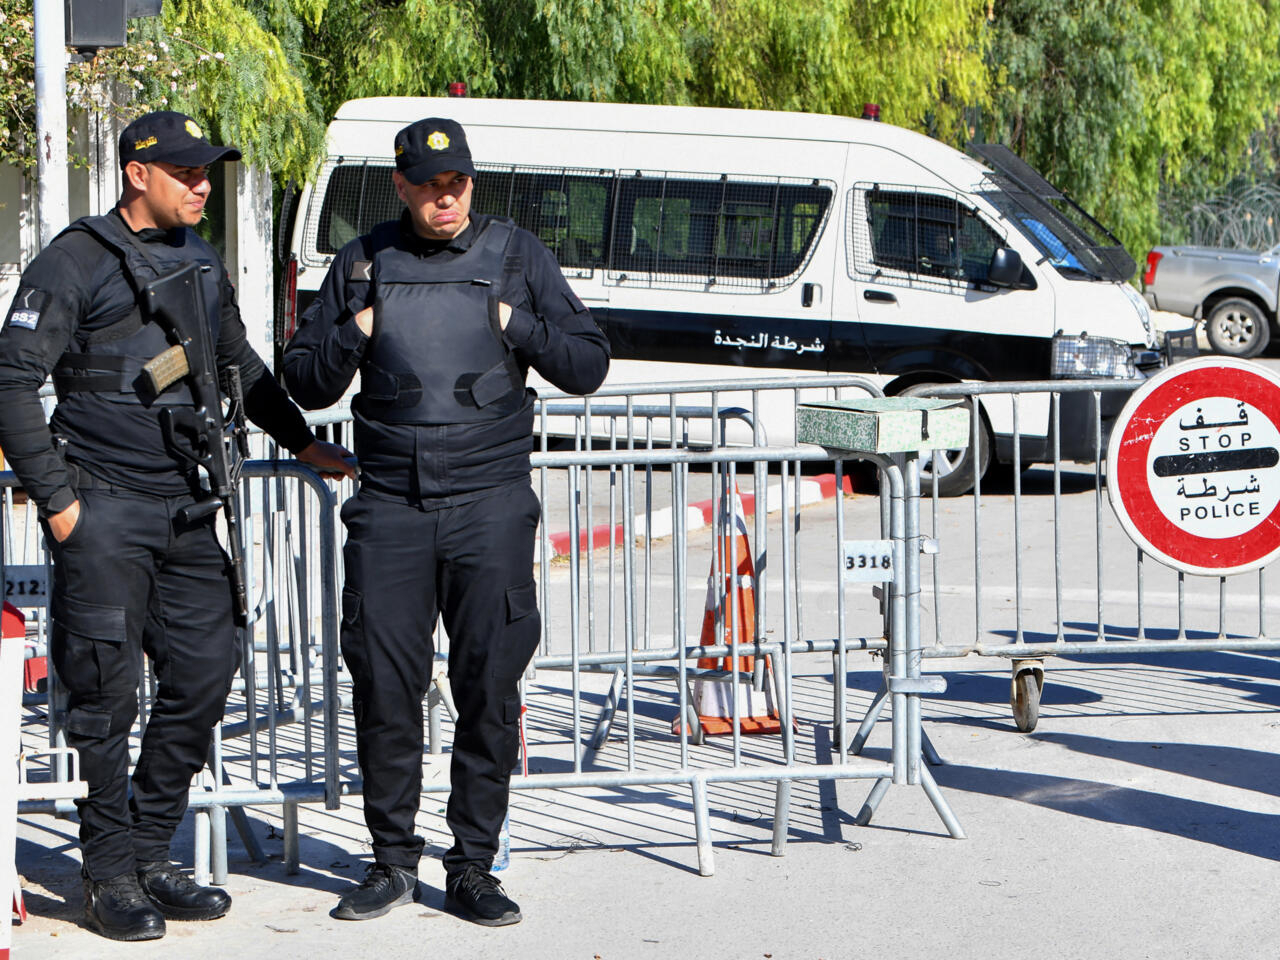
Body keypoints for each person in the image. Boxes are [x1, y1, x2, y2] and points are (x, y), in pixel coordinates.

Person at [0, 111, 355, 942]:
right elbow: (11, 380)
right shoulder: (75, 259)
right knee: (105, 697)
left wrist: (302, 441)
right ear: (137, 173)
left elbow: (240, 367)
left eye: (206, 173)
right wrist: (59, 502)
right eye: (186, 173)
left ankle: (150, 849)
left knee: (205, 671)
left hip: (188, 506)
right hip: (102, 509)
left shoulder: (198, 258)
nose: (202, 186)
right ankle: (108, 875)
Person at [284, 117, 609, 926]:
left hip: (488, 504)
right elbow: (305, 380)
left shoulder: (517, 255)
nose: (445, 197)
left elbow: (587, 364)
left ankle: (472, 866)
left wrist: (515, 324)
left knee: (488, 687)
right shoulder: (362, 262)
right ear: (400, 186)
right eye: (429, 185)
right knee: (385, 688)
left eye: (457, 182)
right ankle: (392, 860)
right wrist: (360, 328)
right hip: (391, 508)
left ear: (471, 181)